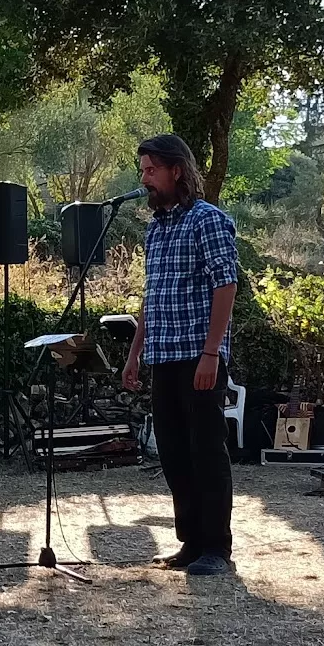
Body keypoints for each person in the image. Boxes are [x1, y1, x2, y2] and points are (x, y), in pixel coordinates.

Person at [122, 134, 238, 576]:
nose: (145, 179)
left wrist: (212, 352)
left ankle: (217, 548)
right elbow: (153, 298)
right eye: (142, 171)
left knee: (205, 449)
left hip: (198, 354)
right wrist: (135, 354)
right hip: (163, 354)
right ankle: (191, 542)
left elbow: (225, 284)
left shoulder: (207, 220)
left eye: (152, 170)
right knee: (172, 451)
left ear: (176, 170)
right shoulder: (155, 228)